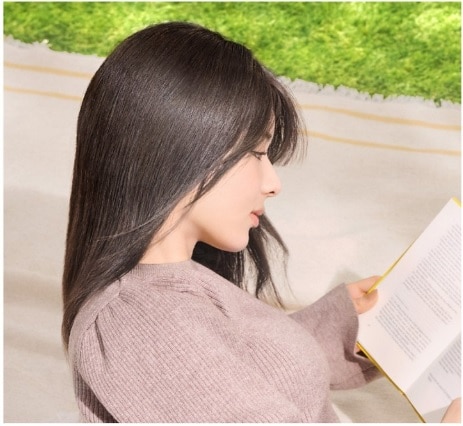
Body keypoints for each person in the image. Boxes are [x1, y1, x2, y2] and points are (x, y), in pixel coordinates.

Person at [62, 22, 460, 423]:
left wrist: (346, 326)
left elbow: (237, 376)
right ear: (179, 148)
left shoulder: (163, 297)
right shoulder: (140, 322)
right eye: (256, 153)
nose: (273, 183)